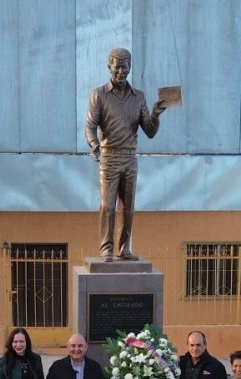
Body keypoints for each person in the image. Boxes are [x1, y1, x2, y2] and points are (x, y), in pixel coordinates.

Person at [85, 47, 166, 262]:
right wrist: (94, 145)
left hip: (130, 158)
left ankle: (124, 249)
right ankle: (106, 248)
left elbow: (149, 131)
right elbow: (90, 126)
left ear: (130, 68)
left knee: (128, 207)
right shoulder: (98, 95)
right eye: (117, 67)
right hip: (109, 158)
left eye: (125, 67)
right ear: (109, 67)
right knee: (107, 206)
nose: (121, 71)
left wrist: (156, 115)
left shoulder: (138, 97)